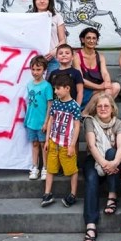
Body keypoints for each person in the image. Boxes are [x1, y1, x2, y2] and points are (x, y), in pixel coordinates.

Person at [82, 94, 121, 241]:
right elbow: (92, 146)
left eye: (106, 106)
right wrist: (104, 163)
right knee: (91, 179)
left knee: (112, 152)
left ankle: (112, 196)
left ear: (112, 108)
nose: (102, 109)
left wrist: (113, 163)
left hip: (113, 162)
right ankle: (91, 225)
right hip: (93, 160)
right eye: (99, 106)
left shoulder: (120, 124)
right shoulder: (90, 121)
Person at [41, 73, 81, 208]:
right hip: (53, 141)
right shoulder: (56, 103)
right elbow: (51, 120)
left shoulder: (74, 106)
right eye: (55, 89)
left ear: (67, 88)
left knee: (72, 170)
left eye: (58, 88)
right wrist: (47, 140)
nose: (56, 91)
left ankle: (73, 194)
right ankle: (47, 193)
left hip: (66, 144)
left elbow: (76, 126)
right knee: (51, 168)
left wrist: (72, 145)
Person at [73, 27, 121, 116]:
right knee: (105, 92)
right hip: (84, 91)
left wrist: (107, 83)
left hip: (98, 89)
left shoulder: (100, 56)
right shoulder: (77, 56)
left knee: (116, 86)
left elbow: (105, 73)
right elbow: (80, 79)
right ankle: (85, 113)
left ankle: (97, 114)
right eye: (88, 38)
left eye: (94, 38)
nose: (91, 41)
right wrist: (100, 87)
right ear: (82, 40)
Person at [25, 55, 53, 181]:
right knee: (34, 144)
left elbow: (49, 105)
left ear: (44, 70)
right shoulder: (29, 85)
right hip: (31, 121)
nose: (35, 72)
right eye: (33, 69)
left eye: (38, 69)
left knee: (43, 145)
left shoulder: (47, 86)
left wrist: (46, 122)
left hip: (42, 122)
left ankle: (45, 168)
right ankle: (35, 167)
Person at [32, 0, 66, 76]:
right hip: (35, 61)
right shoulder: (30, 18)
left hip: (53, 59)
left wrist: (55, 51)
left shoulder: (57, 17)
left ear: (49, 0)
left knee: (53, 86)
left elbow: (63, 40)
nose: (42, 1)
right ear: (35, 1)